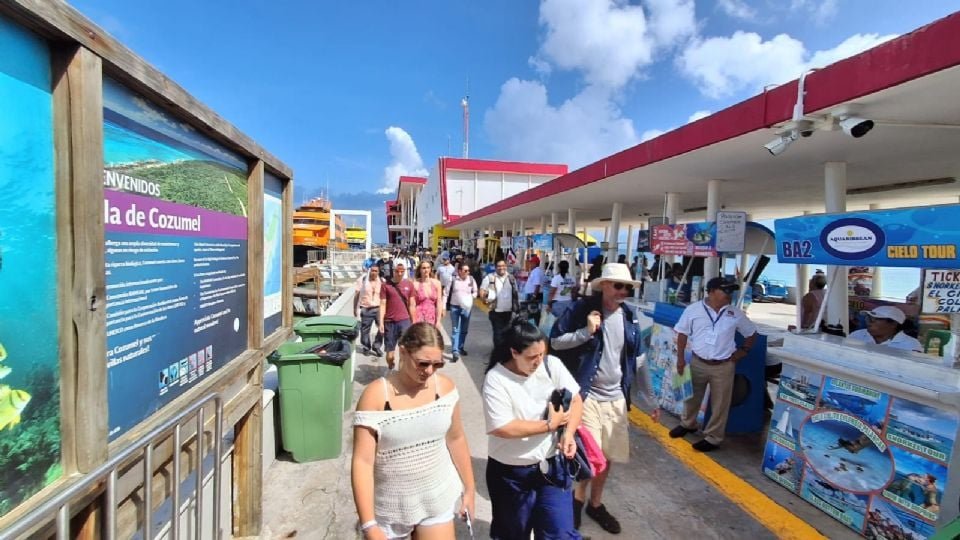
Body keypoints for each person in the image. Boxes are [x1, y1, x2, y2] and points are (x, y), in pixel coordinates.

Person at [550, 263, 658, 534]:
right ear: (604, 285)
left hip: (617, 399)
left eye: (628, 287)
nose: (624, 291)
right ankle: (576, 500)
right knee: (589, 455)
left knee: (607, 457)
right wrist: (587, 332)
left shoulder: (630, 318)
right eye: (619, 286)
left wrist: (651, 400)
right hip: (585, 397)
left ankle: (594, 504)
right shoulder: (580, 309)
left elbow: (639, 362)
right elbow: (556, 341)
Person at [352, 323, 476, 540]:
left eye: (437, 365)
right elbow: (363, 462)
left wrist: (470, 489)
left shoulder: (444, 389)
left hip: (437, 500)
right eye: (423, 363)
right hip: (389, 513)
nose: (429, 371)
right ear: (403, 352)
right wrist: (369, 524)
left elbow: (456, 439)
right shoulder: (377, 397)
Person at [482, 321, 584, 539]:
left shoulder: (551, 365)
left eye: (542, 354)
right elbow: (502, 427)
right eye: (532, 357)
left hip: (552, 467)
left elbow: (576, 400)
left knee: (559, 532)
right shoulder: (496, 379)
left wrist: (568, 434)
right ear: (514, 352)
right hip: (512, 473)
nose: (538, 361)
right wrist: (549, 425)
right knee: (513, 533)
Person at [670, 277, 758, 452]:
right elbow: (682, 334)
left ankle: (713, 438)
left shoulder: (735, 313)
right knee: (691, 396)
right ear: (710, 291)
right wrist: (680, 360)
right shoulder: (693, 310)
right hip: (698, 361)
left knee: (720, 404)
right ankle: (688, 424)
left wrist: (743, 351)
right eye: (725, 290)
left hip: (724, 366)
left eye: (731, 291)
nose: (729, 294)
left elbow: (751, 333)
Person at [379, 261, 415, 370]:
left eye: (402, 271)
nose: (399, 274)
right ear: (393, 271)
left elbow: (412, 304)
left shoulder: (409, 285)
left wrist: (414, 322)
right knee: (390, 355)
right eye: (397, 271)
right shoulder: (386, 286)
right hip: (390, 323)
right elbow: (382, 304)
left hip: (404, 321)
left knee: (404, 351)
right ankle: (390, 364)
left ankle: (401, 374)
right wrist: (381, 322)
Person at [479, 259, 520, 349]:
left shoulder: (511, 278)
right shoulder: (489, 278)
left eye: (503, 266)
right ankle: (498, 353)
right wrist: (484, 299)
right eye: (499, 266)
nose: (501, 268)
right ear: (495, 267)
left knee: (508, 334)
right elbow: (481, 290)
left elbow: (515, 293)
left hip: (509, 311)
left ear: (506, 267)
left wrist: (516, 308)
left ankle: (505, 353)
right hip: (496, 311)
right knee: (498, 334)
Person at [444, 263, 478, 362]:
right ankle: (455, 351)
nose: (467, 272)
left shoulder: (471, 279)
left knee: (464, 330)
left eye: (468, 271)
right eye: (465, 270)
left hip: (466, 309)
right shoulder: (453, 279)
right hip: (455, 307)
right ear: (459, 271)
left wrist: (471, 297)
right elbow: (445, 293)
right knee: (455, 330)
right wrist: (443, 306)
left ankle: (460, 347)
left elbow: (475, 291)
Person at [848, 306, 922, 352]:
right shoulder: (857, 335)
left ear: (893, 324)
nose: (868, 323)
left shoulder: (911, 345)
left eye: (873, 319)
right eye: (868, 318)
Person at [354, 265, 384, 357]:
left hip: (378, 308)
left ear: (378, 272)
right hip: (366, 308)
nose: (374, 272)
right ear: (370, 271)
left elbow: (385, 297)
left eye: (376, 271)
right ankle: (366, 347)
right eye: (372, 270)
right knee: (365, 331)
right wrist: (355, 308)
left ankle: (377, 346)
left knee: (382, 329)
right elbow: (356, 294)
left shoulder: (382, 281)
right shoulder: (362, 280)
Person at [411, 260, 444, 328]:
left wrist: (438, 321)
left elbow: (439, 302)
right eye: (424, 268)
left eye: (428, 267)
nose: (426, 270)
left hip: (432, 316)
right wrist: (413, 321)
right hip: (419, 317)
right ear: (420, 270)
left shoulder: (437, 283)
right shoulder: (415, 284)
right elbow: (412, 305)